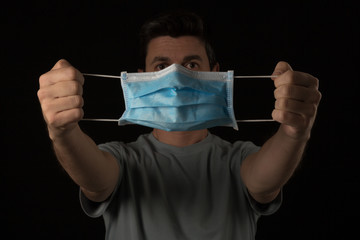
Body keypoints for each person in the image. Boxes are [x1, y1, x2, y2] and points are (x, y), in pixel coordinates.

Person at [37, 10, 321, 240]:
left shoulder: (238, 160)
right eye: (161, 67)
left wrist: (294, 132)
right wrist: (62, 132)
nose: (176, 78)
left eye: (192, 65)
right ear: (142, 77)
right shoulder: (123, 160)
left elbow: (265, 181)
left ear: (215, 73)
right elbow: (95, 180)